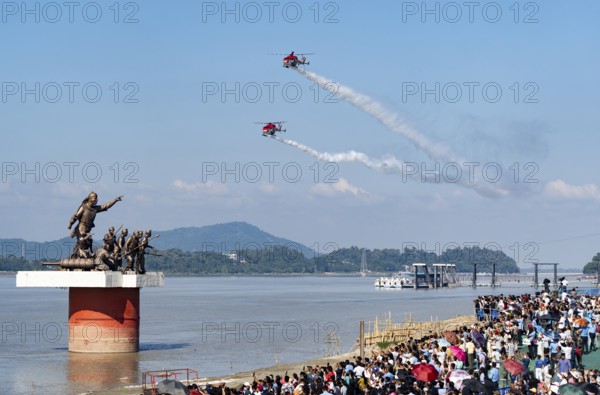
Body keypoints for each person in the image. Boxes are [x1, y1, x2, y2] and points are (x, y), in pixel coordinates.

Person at [68, 192, 122, 258]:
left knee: (88, 243)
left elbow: (106, 206)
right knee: (82, 243)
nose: (96, 200)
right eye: (95, 199)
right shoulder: (84, 207)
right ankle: (76, 257)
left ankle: (79, 256)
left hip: (88, 229)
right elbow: (76, 216)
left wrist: (115, 200)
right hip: (81, 228)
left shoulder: (95, 209)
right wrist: (70, 224)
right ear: (91, 199)